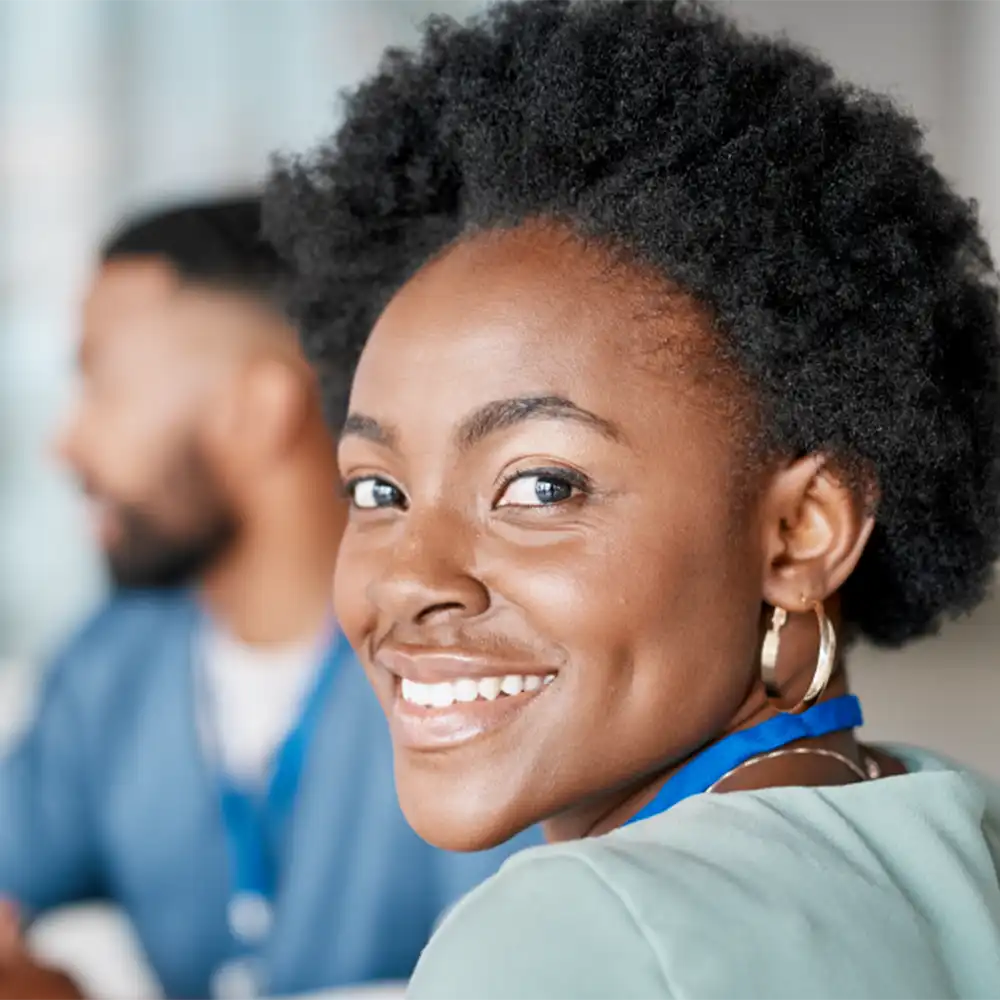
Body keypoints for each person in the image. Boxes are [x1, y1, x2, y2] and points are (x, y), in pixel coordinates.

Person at [263, 1, 1000, 997]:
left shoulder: (569, 934)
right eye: (377, 487)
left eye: (539, 484)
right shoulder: (941, 822)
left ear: (799, 530)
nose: (407, 579)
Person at [0, 196, 537, 1000]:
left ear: (256, 410)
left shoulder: (471, 669)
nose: (64, 442)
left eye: (101, 382)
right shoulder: (110, 663)